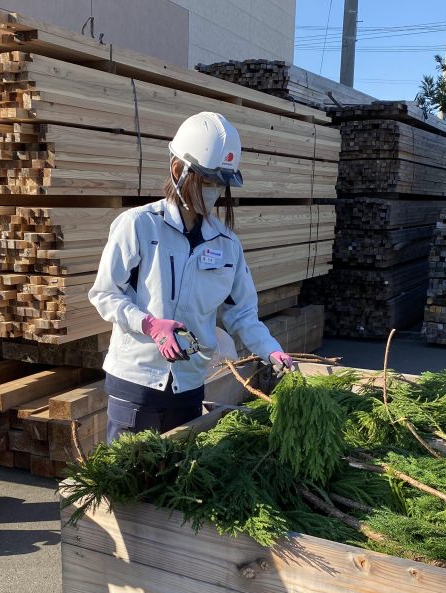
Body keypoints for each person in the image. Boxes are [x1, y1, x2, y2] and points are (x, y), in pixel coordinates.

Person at [89, 111, 296, 442]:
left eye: (220, 184)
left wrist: (271, 350)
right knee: (129, 470)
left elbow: (242, 313)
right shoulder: (139, 226)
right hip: (137, 382)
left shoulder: (226, 245)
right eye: (208, 182)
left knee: (179, 472)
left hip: (189, 384)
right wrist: (149, 324)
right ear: (178, 171)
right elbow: (105, 293)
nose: (214, 192)